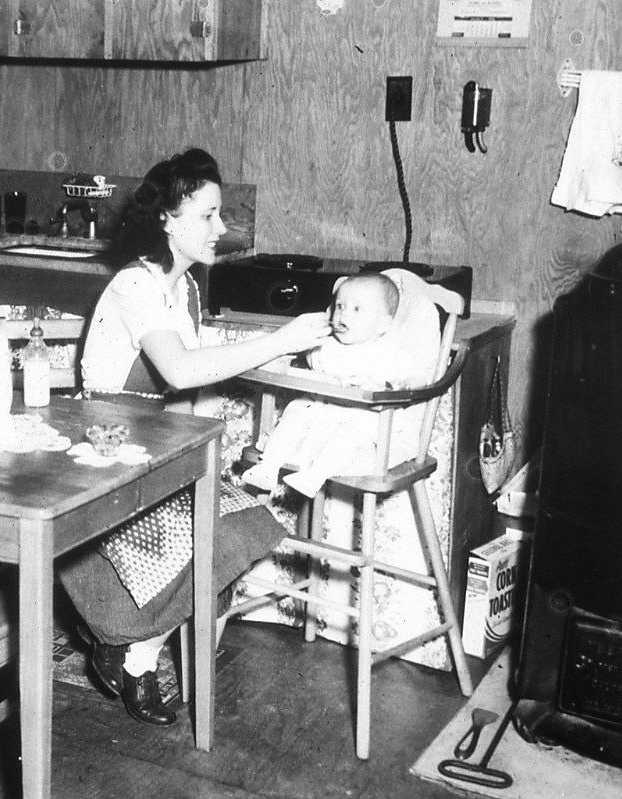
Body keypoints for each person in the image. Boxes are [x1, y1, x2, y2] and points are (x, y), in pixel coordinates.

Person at [57, 148, 333, 727]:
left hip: (155, 446)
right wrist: (283, 339)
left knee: (244, 525)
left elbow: (191, 393)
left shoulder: (185, 288)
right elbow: (181, 370)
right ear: (167, 220)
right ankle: (125, 648)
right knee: (210, 536)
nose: (222, 227)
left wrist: (208, 456)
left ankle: (133, 653)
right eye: (208, 214)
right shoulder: (134, 285)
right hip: (103, 454)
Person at [242, 271, 437, 497]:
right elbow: (309, 361)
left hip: (363, 417)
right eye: (340, 306)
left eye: (357, 309)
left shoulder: (389, 353)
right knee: (295, 413)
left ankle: (314, 477)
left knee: (347, 436)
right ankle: (268, 467)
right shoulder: (327, 346)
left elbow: (419, 378)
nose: (343, 313)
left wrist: (400, 384)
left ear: (382, 324)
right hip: (323, 412)